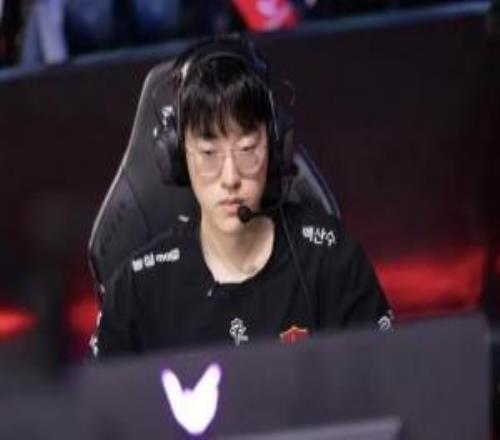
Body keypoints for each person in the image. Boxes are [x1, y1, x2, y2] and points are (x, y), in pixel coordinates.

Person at [91, 34, 393, 358]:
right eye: (208, 153)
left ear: (275, 146)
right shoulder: (136, 290)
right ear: (177, 157)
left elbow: (388, 374)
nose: (231, 177)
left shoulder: (330, 259)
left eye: (248, 149)